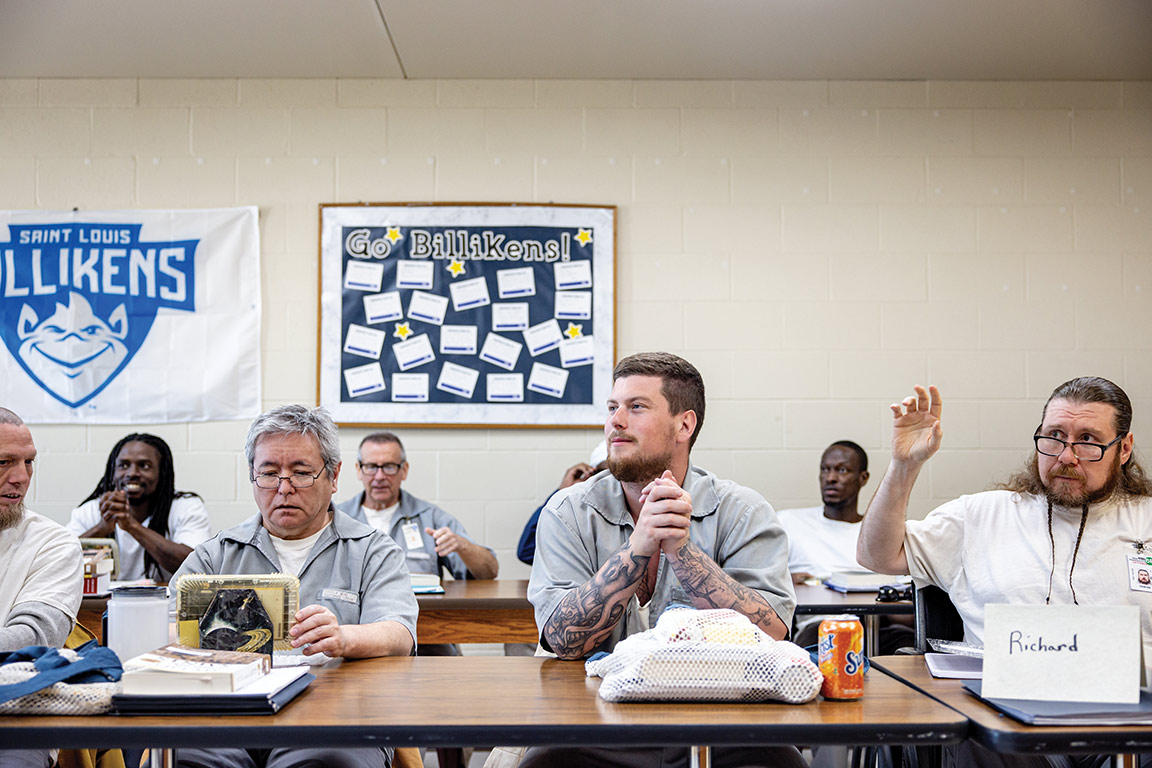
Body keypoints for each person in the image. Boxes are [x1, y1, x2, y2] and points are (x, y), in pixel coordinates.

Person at [525, 352, 803, 768]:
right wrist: (638, 547)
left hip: (726, 723)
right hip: (593, 725)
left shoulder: (743, 510)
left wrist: (683, 552)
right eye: (612, 408)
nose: (616, 421)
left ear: (684, 425)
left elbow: (772, 634)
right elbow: (564, 642)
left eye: (636, 407)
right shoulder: (567, 510)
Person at [857, 378, 1152, 768]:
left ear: (1124, 448)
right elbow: (876, 554)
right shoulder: (982, 515)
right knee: (972, 730)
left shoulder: (1145, 520)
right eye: (1055, 437)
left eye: (1087, 440)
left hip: (1130, 725)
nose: (1067, 455)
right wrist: (904, 465)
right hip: (1004, 726)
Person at [173, 405, 417, 768]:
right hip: (225, 716)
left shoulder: (372, 550)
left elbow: (400, 633)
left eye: (301, 473)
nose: (284, 488)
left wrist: (344, 639)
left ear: (333, 477)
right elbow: (165, 630)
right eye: (269, 473)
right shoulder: (217, 555)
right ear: (252, 477)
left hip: (336, 717)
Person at [0, 408, 84, 768]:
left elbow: (33, 641)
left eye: (29, 462)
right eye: (4, 462)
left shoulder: (53, 543)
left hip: (12, 721)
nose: (21, 477)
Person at [68, 434, 211, 581]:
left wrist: (132, 526)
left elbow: (196, 567)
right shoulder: (90, 511)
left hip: (166, 603)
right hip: (105, 603)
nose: (132, 473)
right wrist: (101, 529)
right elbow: (61, 560)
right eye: (123, 465)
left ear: (161, 473)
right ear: (112, 473)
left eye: (144, 466)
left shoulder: (185, 506)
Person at [777, 440, 871, 586]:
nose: (830, 478)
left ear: (863, 478)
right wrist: (783, 581)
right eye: (825, 469)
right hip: (807, 606)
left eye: (842, 470)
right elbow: (755, 575)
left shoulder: (877, 533)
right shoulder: (788, 521)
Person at [517, 441, 608, 565]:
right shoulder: (581, 515)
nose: (613, 481)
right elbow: (528, 551)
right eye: (604, 474)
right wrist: (563, 492)